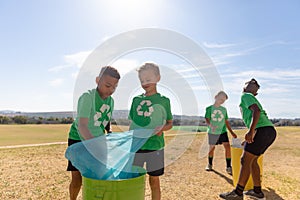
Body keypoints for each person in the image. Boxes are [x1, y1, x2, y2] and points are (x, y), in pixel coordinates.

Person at [66, 66, 120, 200]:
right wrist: (92, 145)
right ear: (97, 80)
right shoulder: (87, 97)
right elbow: (82, 125)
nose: (111, 90)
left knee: (100, 176)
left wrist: (109, 131)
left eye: (114, 87)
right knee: (77, 178)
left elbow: (106, 118)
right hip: (78, 140)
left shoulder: (111, 101)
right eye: (108, 85)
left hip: (98, 141)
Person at [220, 78, 277, 200]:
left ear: (254, 91)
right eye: (251, 82)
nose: (252, 81)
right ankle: (257, 192)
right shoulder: (251, 97)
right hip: (269, 131)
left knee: (245, 160)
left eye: (254, 83)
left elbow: (256, 111)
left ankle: (238, 193)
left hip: (261, 130)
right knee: (253, 160)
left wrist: (251, 131)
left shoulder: (246, 96)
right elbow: (257, 114)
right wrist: (252, 134)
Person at [128, 62, 173, 200]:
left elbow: (170, 123)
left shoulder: (164, 101)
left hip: (155, 147)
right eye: (142, 80)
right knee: (134, 181)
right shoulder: (136, 100)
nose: (145, 83)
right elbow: (132, 122)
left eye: (148, 79)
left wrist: (162, 128)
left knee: (154, 181)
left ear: (158, 78)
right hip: (136, 146)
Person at [204, 91, 237, 174]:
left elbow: (226, 121)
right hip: (212, 132)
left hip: (222, 132)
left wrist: (232, 132)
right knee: (212, 148)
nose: (222, 101)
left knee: (227, 147)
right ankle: (210, 164)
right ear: (216, 97)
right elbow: (207, 119)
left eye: (223, 100)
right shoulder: (209, 108)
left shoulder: (224, 110)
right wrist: (211, 126)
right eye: (221, 99)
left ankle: (228, 166)